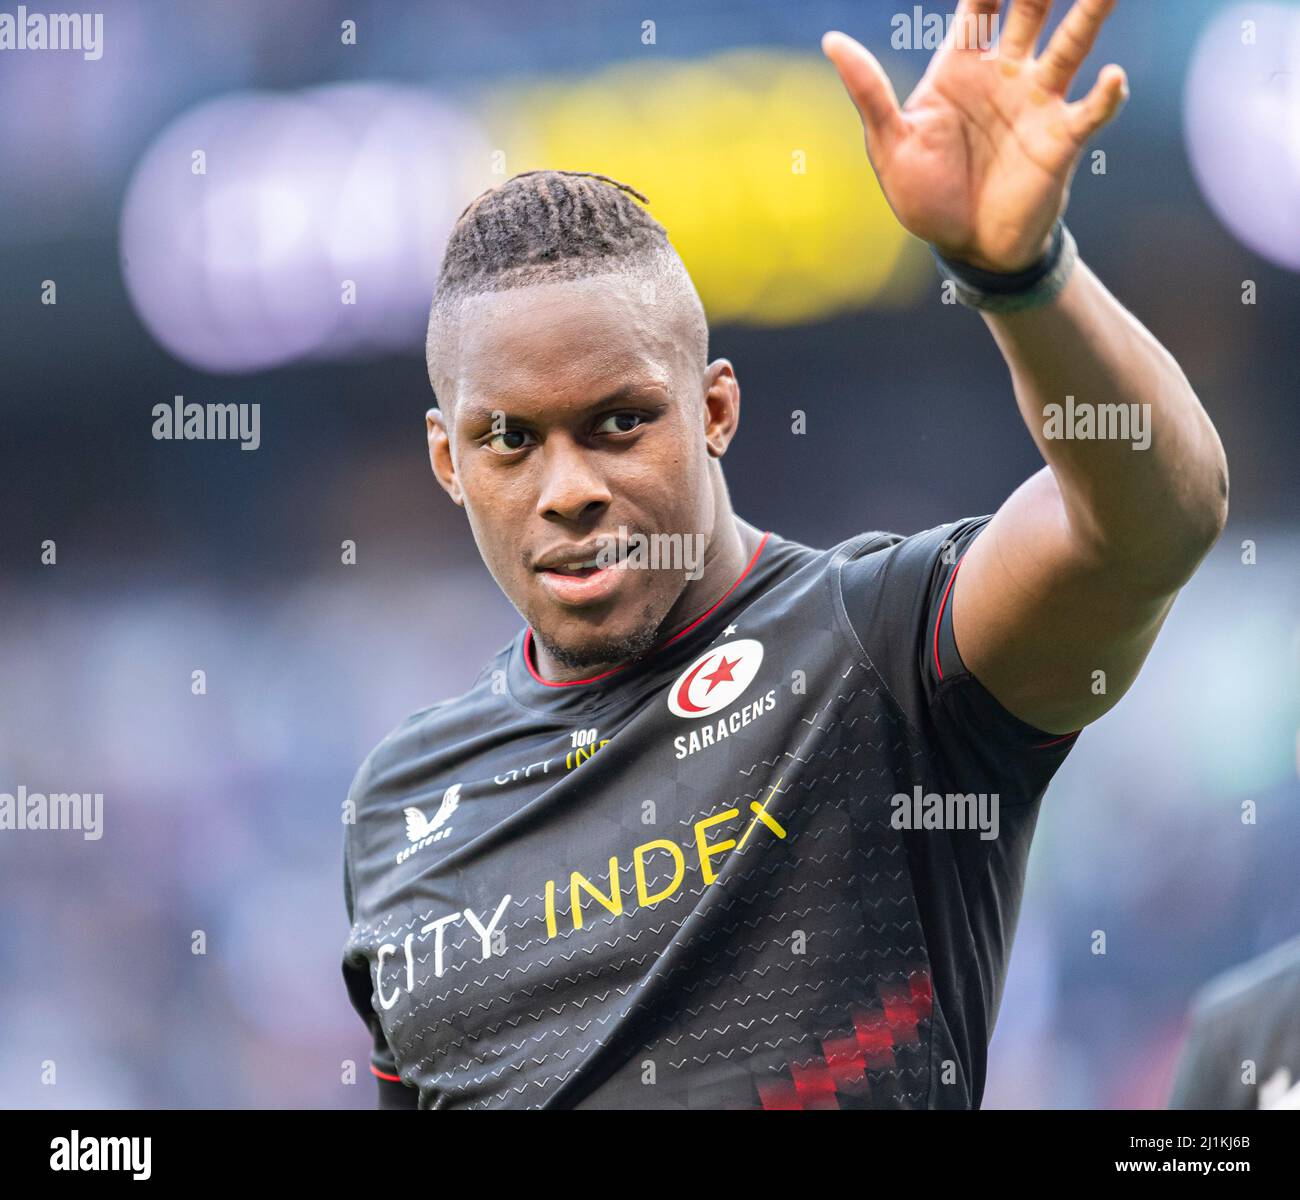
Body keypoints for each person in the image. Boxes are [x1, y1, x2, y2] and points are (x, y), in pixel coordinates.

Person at [342, 0, 1228, 1109]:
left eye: (620, 422)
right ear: (446, 460)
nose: (566, 490)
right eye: (509, 441)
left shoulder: (878, 650)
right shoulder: (399, 802)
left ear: (715, 409)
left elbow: (1151, 525)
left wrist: (1024, 276)